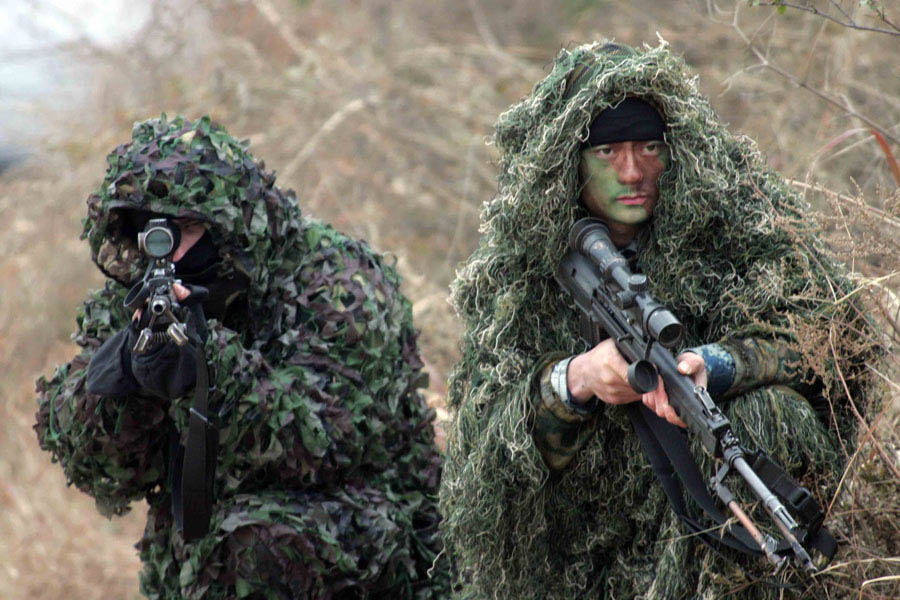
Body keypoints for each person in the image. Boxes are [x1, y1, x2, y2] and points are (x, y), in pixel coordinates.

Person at [439, 41, 875, 599]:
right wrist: (577, 381)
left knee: (769, 415)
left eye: (650, 146)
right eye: (607, 152)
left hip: (708, 534)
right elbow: (481, 456)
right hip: (588, 550)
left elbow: (834, 331)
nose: (633, 171)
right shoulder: (519, 268)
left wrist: (717, 365)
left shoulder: (735, 220)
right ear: (569, 164)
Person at [35, 115, 448, 599]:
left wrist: (210, 368)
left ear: (227, 223)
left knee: (254, 542)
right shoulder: (136, 295)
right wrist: (129, 374)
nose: (164, 253)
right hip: (199, 559)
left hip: (365, 545)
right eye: (149, 232)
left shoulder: (337, 283)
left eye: (182, 229)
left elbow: (329, 443)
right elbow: (91, 462)